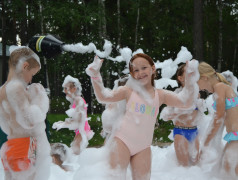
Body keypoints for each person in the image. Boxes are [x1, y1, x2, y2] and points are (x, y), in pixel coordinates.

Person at [86, 54, 199, 179]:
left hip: (143, 147)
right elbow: (103, 97)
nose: (140, 73)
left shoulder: (160, 95)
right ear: (132, 74)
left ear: (153, 68)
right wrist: (95, 75)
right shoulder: (127, 91)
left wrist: (190, 80)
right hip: (122, 140)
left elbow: (186, 102)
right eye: (136, 70)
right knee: (115, 177)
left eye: (144, 68)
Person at [0, 46, 51, 180]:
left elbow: (5, 126)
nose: (30, 80)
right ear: (25, 66)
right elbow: (29, 120)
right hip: (26, 148)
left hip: (11, 148)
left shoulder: (2, 90)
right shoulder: (16, 87)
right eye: (32, 74)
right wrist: (41, 97)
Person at [198, 62, 238, 178]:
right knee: (226, 167)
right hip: (234, 136)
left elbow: (219, 117)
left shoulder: (220, 87)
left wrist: (206, 143)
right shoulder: (221, 88)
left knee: (228, 168)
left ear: (205, 77)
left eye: (197, 82)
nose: (199, 87)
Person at [160, 63, 203, 166]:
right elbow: (166, 116)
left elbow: (200, 113)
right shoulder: (176, 95)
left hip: (194, 131)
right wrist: (178, 111)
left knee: (195, 166)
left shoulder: (197, 94)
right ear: (180, 78)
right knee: (184, 167)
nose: (192, 73)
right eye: (188, 72)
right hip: (181, 131)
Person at [52, 75, 94, 155]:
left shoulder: (78, 100)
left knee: (75, 152)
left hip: (82, 130)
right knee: (76, 153)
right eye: (64, 88)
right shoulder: (76, 100)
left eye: (66, 88)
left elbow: (78, 122)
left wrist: (64, 124)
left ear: (74, 89)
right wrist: (63, 123)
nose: (64, 91)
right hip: (80, 130)